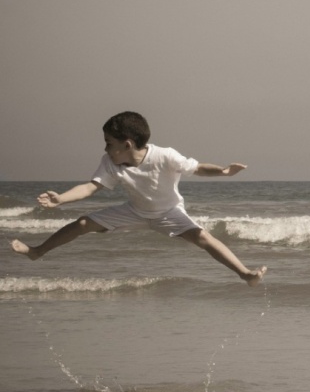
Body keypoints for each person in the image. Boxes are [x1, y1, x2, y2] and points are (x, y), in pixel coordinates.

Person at [10, 111, 267, 286]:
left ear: (128, 145)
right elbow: (91, 187)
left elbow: (197, 167)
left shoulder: (165, 156)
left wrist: (223, 171)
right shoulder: (111, 163)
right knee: (82, 224)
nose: (105, 148)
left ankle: (245, 274)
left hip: (169, 213)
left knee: (203, 238)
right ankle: (37, 251)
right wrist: (61, 199)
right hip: (135, 211)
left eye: (109, 143)